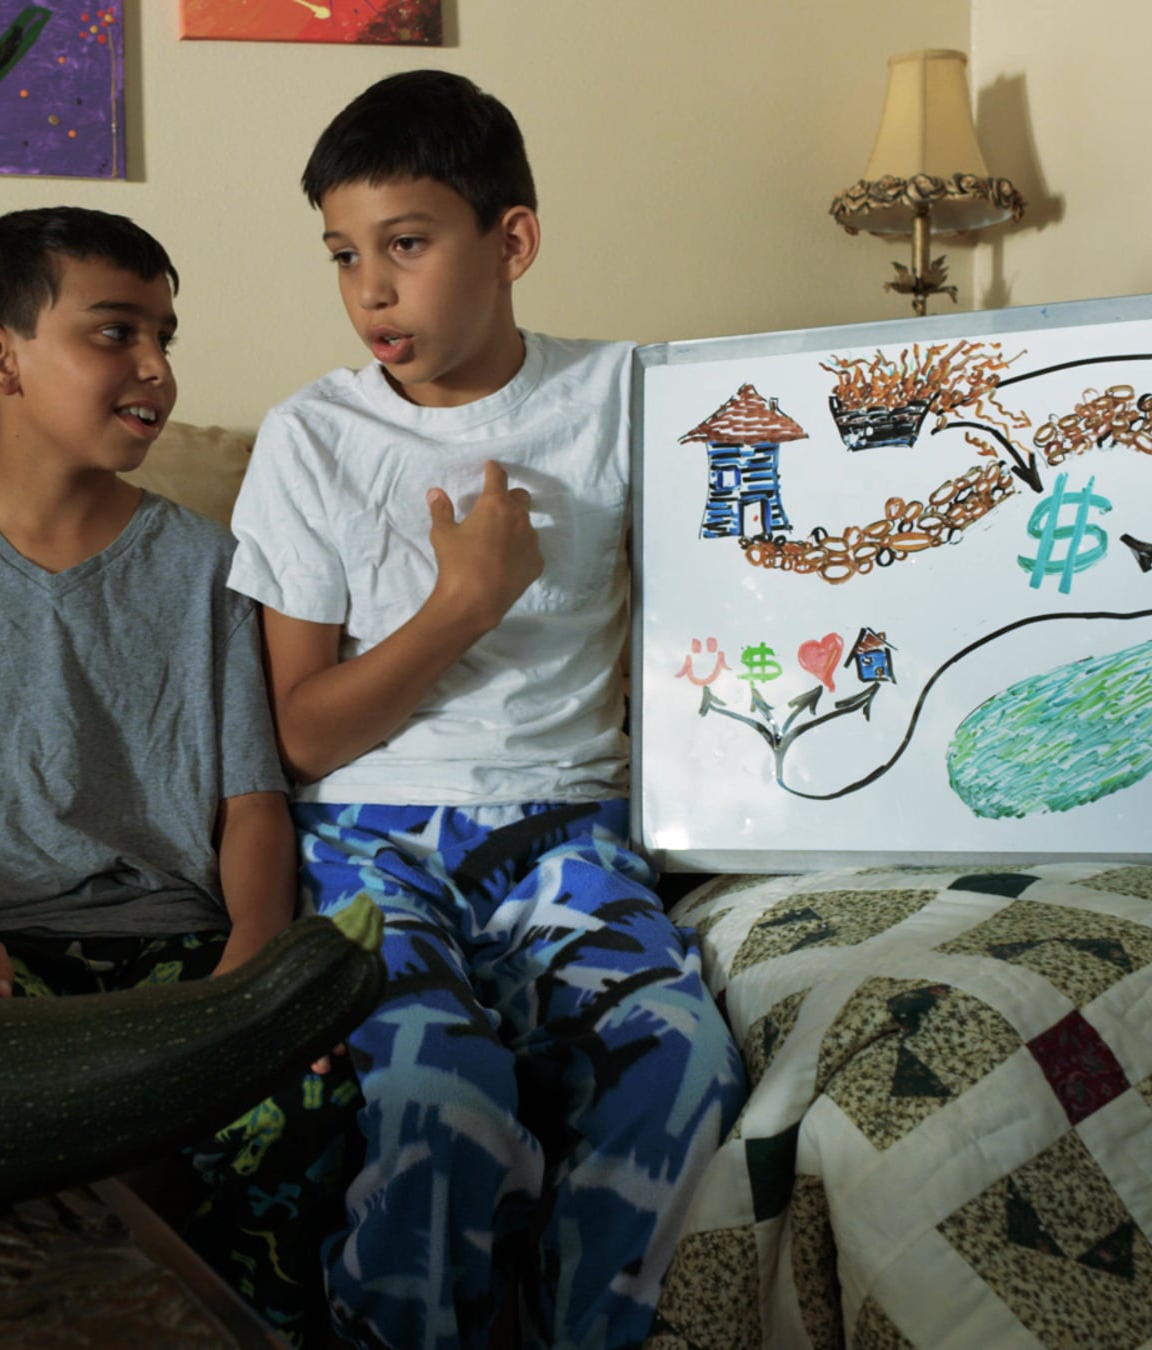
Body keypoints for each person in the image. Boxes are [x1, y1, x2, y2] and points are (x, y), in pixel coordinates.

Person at [226, 70, 750, 1350]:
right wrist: (460, 606)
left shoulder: (629, 396)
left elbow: (747, 597)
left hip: (571, 831)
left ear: (511, 241)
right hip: (370, 840)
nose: (370, 291)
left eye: (405, 245)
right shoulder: (310, 437)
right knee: (438, 1090)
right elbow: (301, 735)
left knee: (680, 1058)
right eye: (344, 255)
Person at [0, 206, 354, 1336]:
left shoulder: (213, 566)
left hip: (181, 948)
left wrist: (252, 972)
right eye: (116, 332)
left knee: (312, 1109)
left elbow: (253, 805)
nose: (156, 367)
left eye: (164, 335)